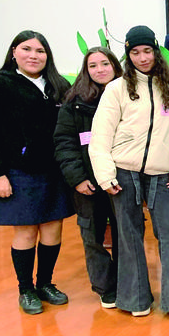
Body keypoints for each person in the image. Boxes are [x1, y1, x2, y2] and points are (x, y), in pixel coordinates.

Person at [89, 26, 169, 318]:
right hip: (124, 173)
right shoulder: (116, 89)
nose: (142, 57)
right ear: (128, 55)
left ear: (156, 52)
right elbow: (101, 136)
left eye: (147, 51)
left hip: (164, 175)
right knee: (129, 235)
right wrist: (105, 175)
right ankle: (136, 300)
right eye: (135, 52)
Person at [0, 30, 73, 314]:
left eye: (40, 51)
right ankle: (26, 289)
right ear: (14, 52)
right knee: (26, 231)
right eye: (26, 49)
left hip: (55, 170)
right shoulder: (0, 84)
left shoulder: (58, 85)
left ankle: (45, 284)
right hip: (19, 171)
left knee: (53, 229)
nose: (33, 55)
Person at [54, 46, 122, 308]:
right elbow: (64, 143)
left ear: (114, 66)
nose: (100, 70)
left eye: (105, 64)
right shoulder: (74, 102)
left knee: (125, 234)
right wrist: (78, 179)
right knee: (92, 236)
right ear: (86, 70)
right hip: (88, 183)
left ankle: (128, 281)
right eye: (93, 65)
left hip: (121, 181)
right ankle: (106, 287)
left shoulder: (128, 97)